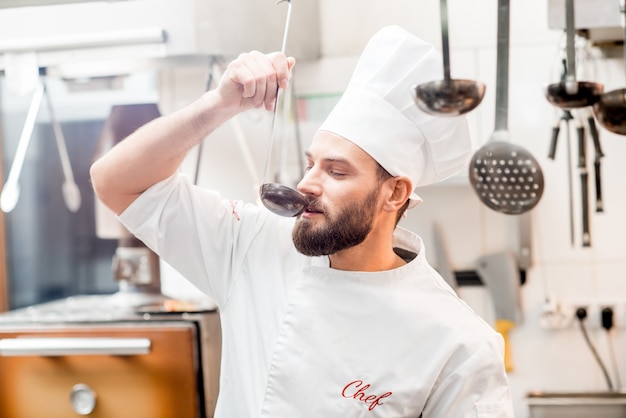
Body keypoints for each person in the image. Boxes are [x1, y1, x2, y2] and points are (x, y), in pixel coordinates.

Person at [91, 25, 514, 417]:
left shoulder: (459, 343)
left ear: (395, 193)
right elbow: (115, 182)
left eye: (336, 171)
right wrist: (221, 105)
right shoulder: (254, 245)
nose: (307, 183)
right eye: (311, 164)